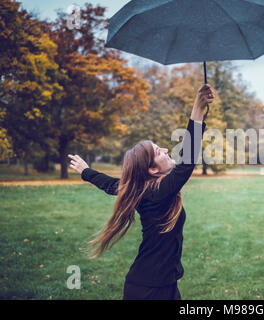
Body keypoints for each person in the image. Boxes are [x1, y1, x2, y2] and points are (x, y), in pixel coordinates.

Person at [68, 84, 215, 300]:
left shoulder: (141, 190)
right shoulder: (156, 193)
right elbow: (187, 161)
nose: (165, 150)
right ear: (152, 169)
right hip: (148, 290)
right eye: (158, 151)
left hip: (163, 285)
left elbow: (112, 185)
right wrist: (197, 106)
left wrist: (86, 171)